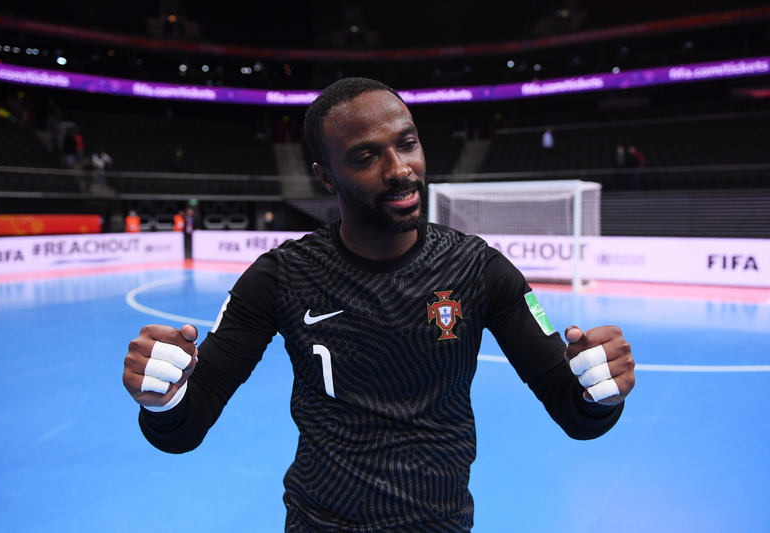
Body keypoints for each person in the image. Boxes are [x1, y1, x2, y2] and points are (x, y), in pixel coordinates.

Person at [122, 78, 635, 532]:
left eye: (407, 144)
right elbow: (185, 427)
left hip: (441, 525)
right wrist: (163, 398)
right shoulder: (280, 277)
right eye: (366, 157)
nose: (400, 169)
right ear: (327, 177)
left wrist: (599, 390)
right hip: (318, 523)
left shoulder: (481, 271)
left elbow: (573, 411)